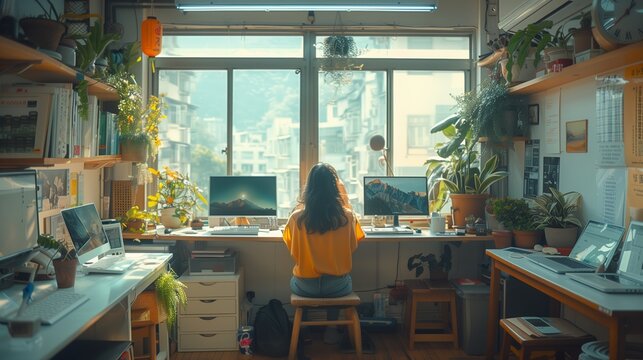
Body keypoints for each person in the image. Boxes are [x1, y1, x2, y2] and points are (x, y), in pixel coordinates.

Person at [282, 163, 365, 344]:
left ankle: (308, 329)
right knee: (342, 279)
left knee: (297, 280)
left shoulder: (296, 218)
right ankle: (331, 329)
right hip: (338, 287)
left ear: (309, 187)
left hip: (305, 287)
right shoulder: (348, 216)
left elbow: (293, 249)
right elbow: (352, 247)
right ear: (334, 187)